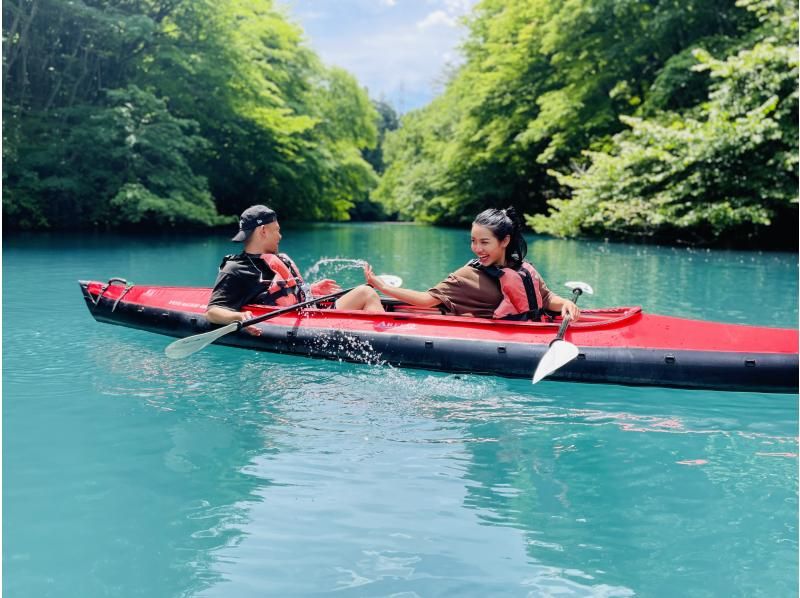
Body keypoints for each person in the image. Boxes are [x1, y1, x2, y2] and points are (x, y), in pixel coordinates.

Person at [363, 206, 580, 321]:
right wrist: (383, 287)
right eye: (473, 241)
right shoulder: (467, 275)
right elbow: (426, 300)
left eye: (484, 242)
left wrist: (565, 304)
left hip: (531, 329)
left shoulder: (523, 269)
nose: (477, 248)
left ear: (505, 241)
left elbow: (546, 298)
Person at [206, 205, 384, 330]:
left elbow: (284, 294)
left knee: (366, 292)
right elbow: (213, 311)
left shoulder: (275, 260)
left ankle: (381, 331)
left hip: (309, 315)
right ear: (263, 231)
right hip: (303, 324)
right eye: (276, 230)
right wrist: (239, 316)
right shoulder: (236, 269)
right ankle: (383, 337)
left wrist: (311, 289)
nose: (280, 236)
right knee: (365, 292)